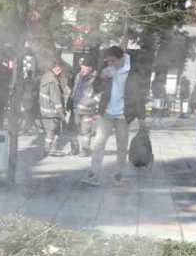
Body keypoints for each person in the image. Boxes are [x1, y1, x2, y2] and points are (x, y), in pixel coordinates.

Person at [82, 46, 130, 186]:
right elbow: (96, 88)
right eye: (108, 61)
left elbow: (137, 93)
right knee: (98, 143)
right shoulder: (106, 67)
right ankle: (94, 174)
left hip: (123, 115)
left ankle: (118, 174)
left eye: (113, 61)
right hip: (107, 112)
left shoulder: (131, 70)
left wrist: (141, 117)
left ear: (121, 59)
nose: (110, 64)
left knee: (122, 145)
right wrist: (102, 77)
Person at [39, 61, 71, 154]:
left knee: (50, 130)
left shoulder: (46, 77)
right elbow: (56, 99)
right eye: (61, 70)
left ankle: (50, 148)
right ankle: (49, 149)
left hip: (45, 110)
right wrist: (62, 113)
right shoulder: (53, 81)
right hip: (53, 111)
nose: (61, 73)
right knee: (53, 130)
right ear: (58, 69)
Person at [70, 59, 96, 156]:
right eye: (81, 67)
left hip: (87, 110)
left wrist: (90, 103)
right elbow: (75, 89)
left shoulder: (95, 79)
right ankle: (74, 149)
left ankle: (85, 150)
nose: (82, 69)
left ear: (90, 68)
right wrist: (71, 100)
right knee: (72, 129)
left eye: (84, 67)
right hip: (75, 108)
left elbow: (99, 94)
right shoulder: (78, 76)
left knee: (86, 131)